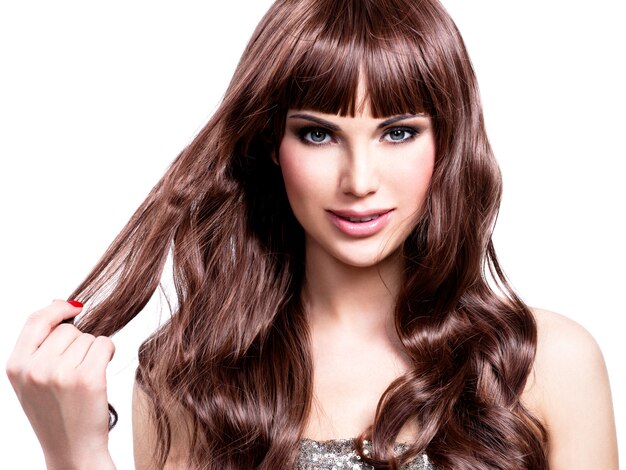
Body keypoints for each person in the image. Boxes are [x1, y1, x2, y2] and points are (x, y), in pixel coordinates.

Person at [5, 0, 618, 468]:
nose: (359, 180)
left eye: (398, 132)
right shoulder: (189, 378)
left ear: (448, 142)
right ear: (271, 143)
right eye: (318, 133)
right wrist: (77, 456)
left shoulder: (545, 365)